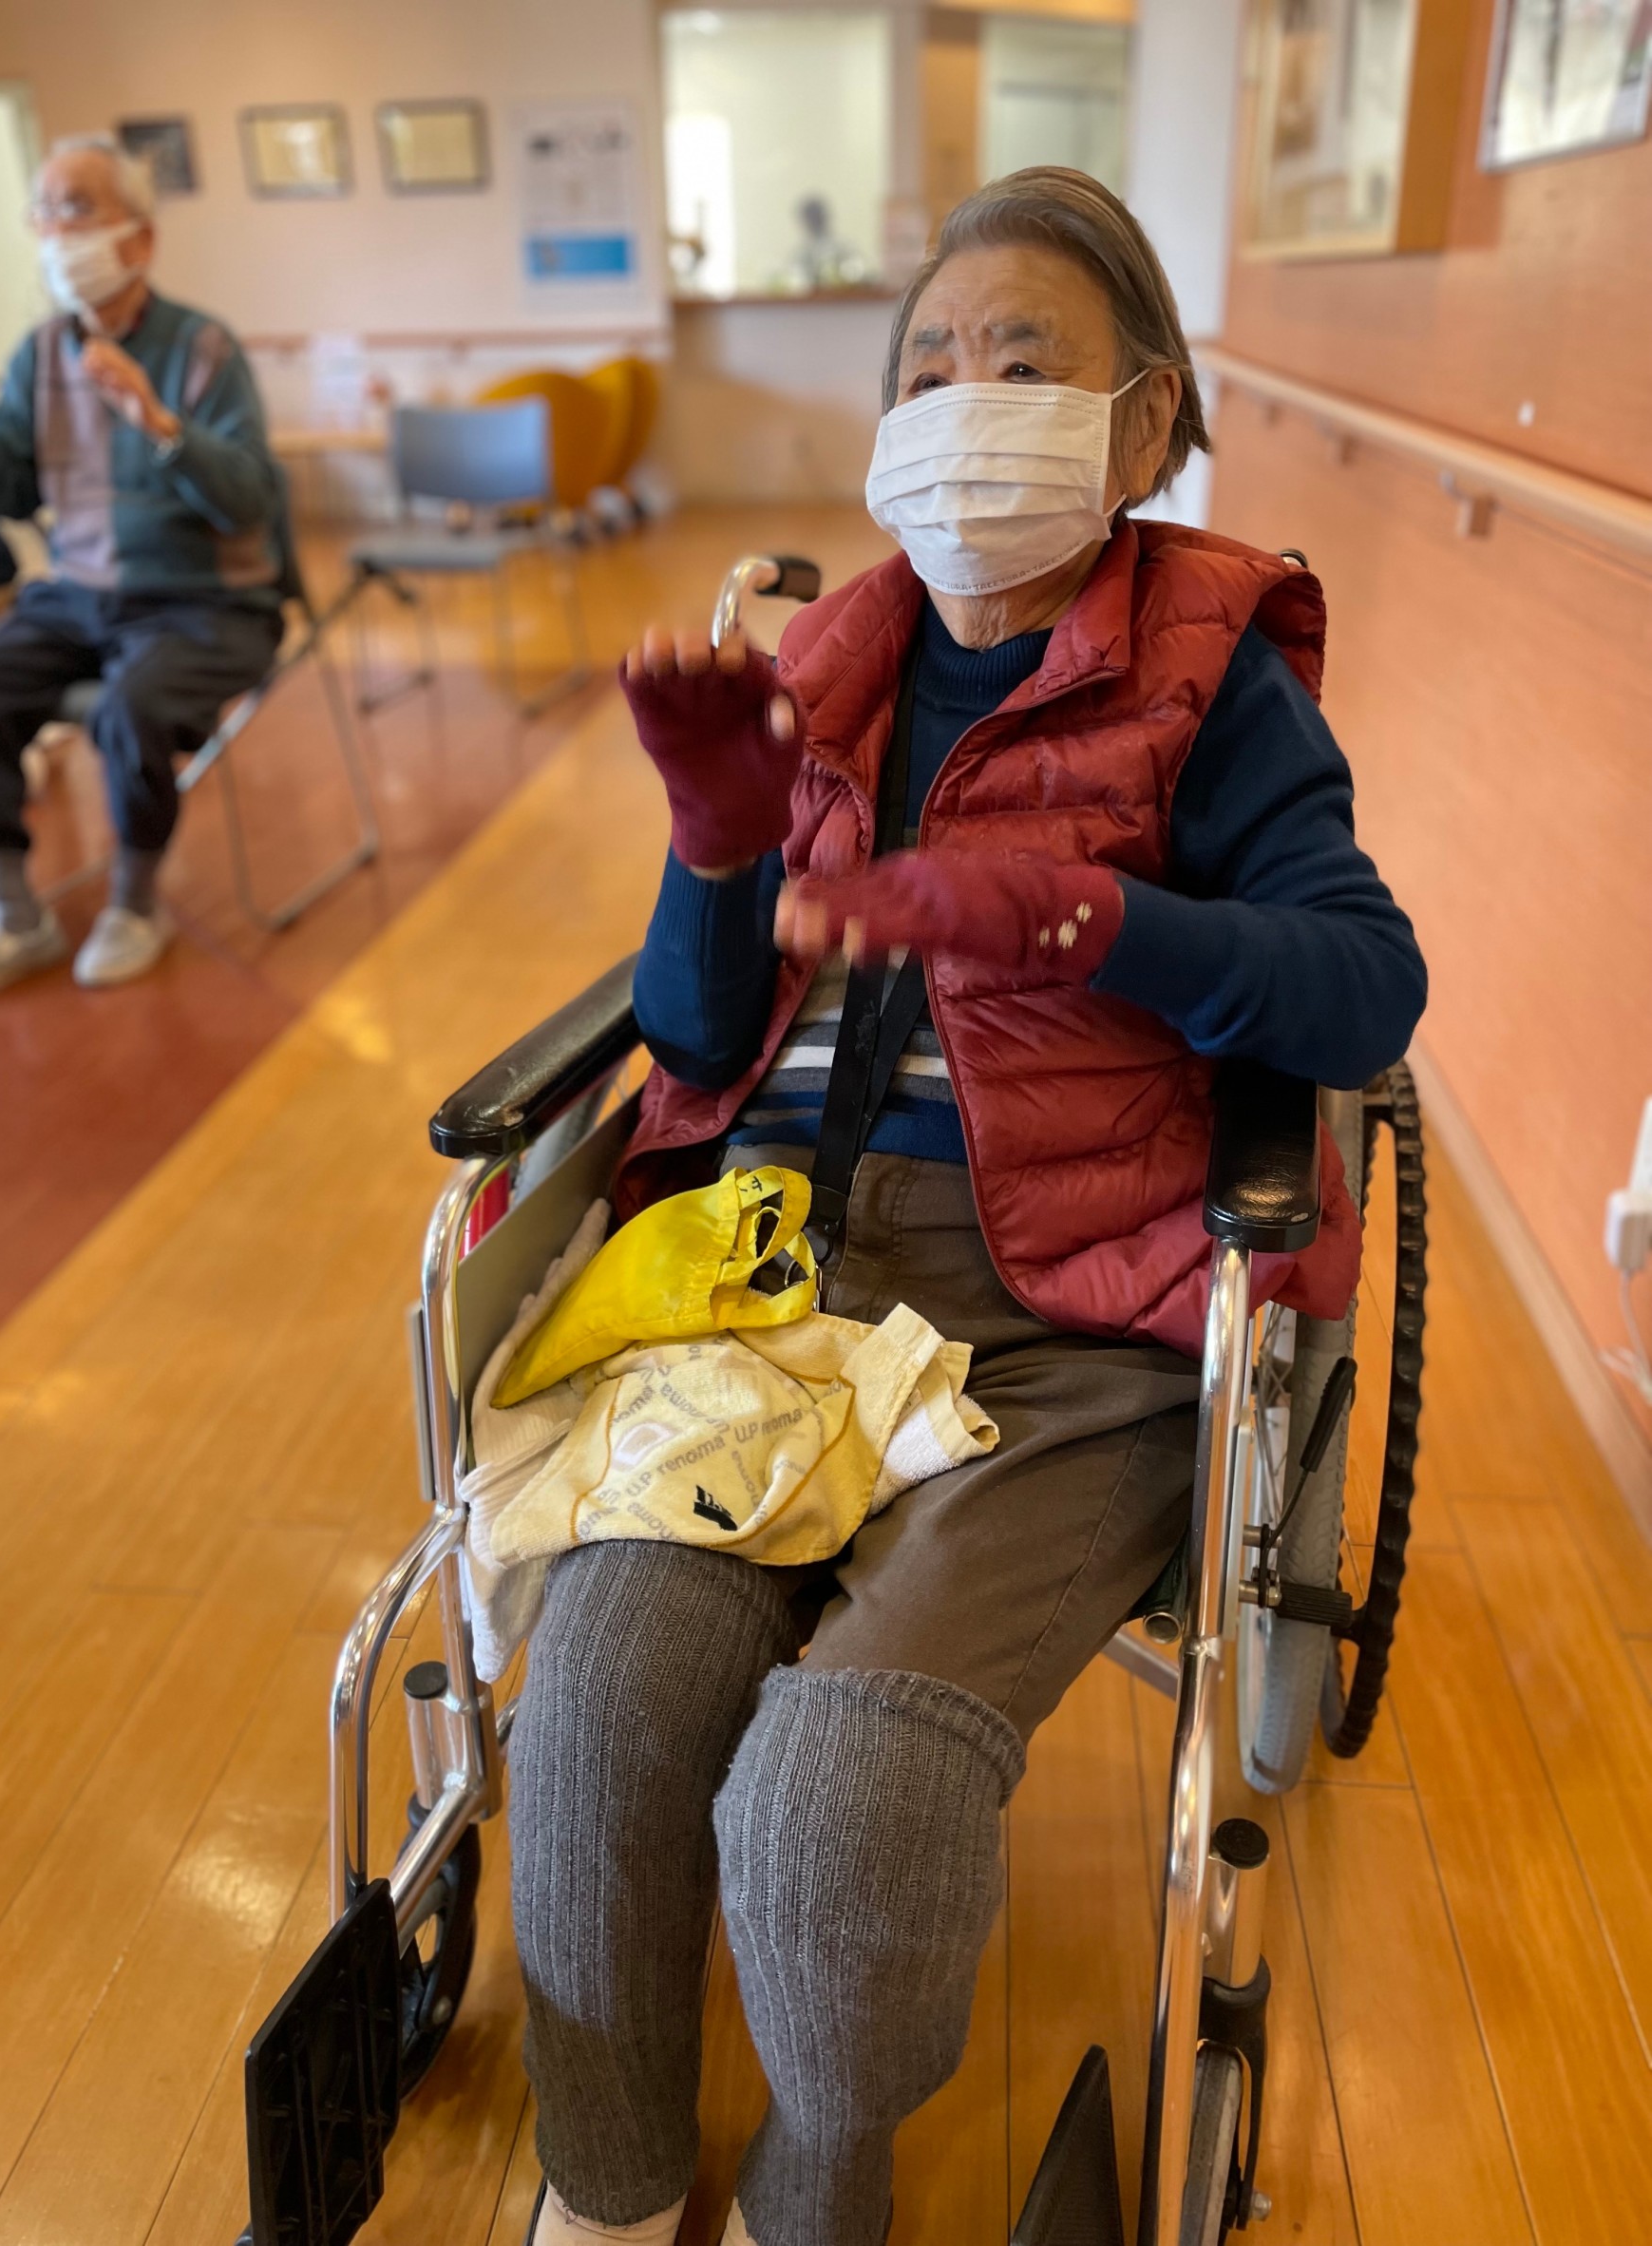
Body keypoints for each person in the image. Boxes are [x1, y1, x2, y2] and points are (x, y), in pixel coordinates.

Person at [511, 168, 1427, 2246]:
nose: (959, 398)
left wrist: (1090, 915)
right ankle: (610, 2190)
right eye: (926, 364)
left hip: (1068, 1327)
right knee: (596, 1716)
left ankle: (813, 2196)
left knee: (838, 1801)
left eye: (1019, 359)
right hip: (781, 1292)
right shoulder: (827, 659)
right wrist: (715, 848)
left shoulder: (1211, 682)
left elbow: (1363, 987)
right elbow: (693, 1034)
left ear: (1143, 416)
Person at [0, 134, 283, 997]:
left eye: (78, 207)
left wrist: (159, 422)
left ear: (138, 238)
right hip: (79, 594)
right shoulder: (40, 353)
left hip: (209, 602)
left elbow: (250, 500)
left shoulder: (203, 348)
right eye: (44, 211)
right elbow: (6, 485)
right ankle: (15, 915)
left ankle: (135, 905)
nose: (56, 230)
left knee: (129, 707)